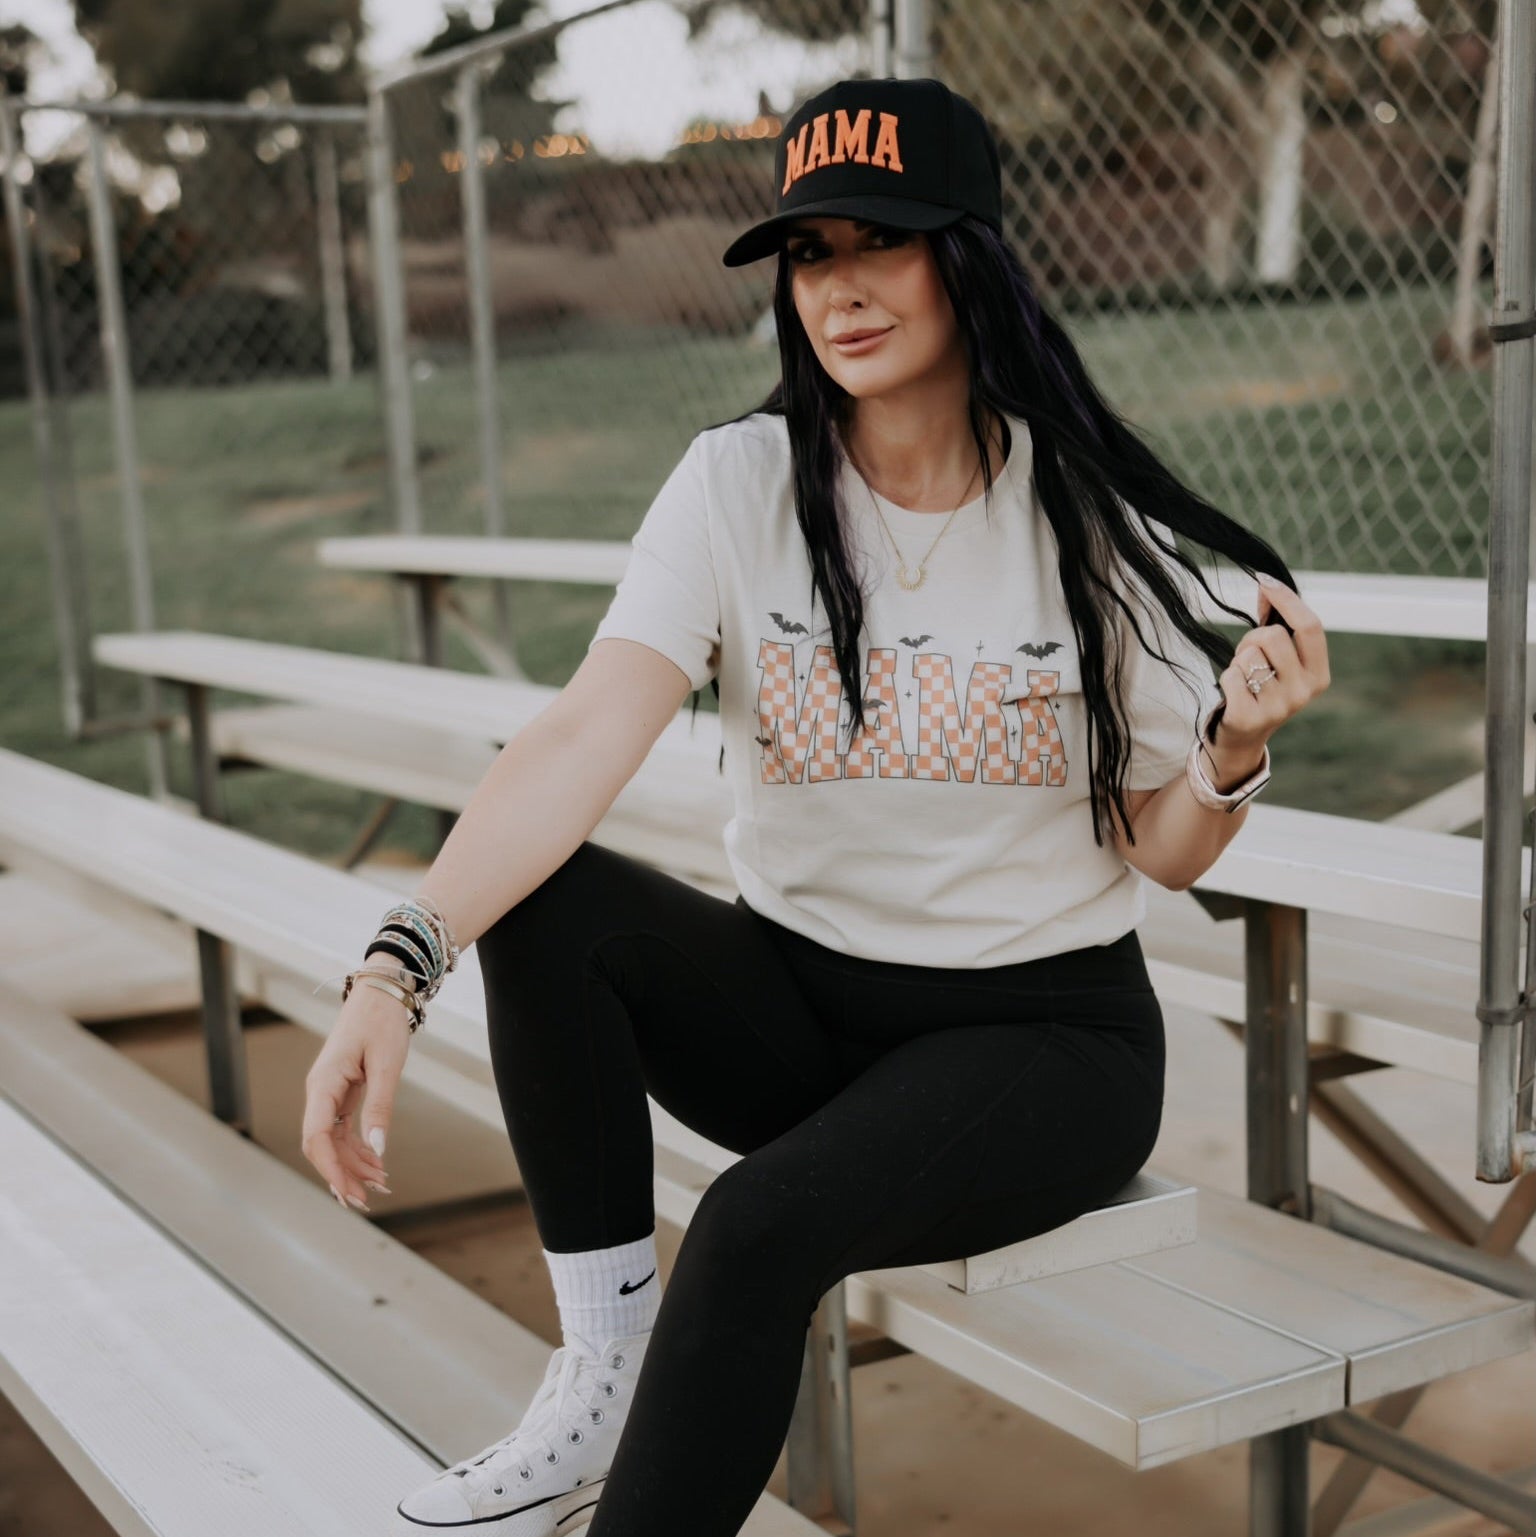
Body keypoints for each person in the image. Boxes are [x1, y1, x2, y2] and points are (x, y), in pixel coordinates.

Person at [301, 75, 1329, 1537]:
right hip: (804, 1012)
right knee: (549, 906)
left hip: (1039, 1039)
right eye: (810, 252)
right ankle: (602, 1369)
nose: (838, 289)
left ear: (967, 255)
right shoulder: (738, 486)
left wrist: (1231, 746)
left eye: (879, 243)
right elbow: (587, 728)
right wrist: (397, 968)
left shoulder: (1083, 515)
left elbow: (1158, 847)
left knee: (752, 1227)